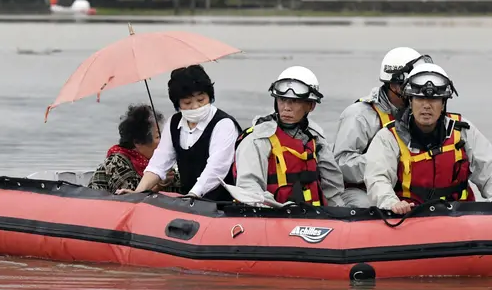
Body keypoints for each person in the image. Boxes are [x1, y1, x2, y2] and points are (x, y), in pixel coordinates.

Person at [363, 63, 492, 215]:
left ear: (443, 103)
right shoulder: (389, 136)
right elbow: (377, 177)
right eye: (419, 99)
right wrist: (391, 202)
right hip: (410, 216)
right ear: (410, 101)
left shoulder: (462, 130)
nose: (426, 106)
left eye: (433, 100)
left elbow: (490, 167)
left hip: (459, 215)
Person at [116, 65, 241, 201]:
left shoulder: (224, 124)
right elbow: (160, 162)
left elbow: (216, 169)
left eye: (201, 100)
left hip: (223, 204)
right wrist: (138, 192)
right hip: (190, 202)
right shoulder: (174, 123)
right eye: (187, 102)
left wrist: (193, 194)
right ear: (178, 104)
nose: (195, 107)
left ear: (210, 97)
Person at [233, 66, 345, 207]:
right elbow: (249, 189)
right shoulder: (257, 140)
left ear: (311, 106)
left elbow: (333, 190)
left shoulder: (316, 139)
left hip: (315, 218)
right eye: (282, 100)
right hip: (272, 218)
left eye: (295, 101)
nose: (286, 107)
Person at [333, 47, 432, 207]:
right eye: (413, 85)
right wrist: (386, 161)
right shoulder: (360, 115)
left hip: (400, 187)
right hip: (359, 190)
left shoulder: (420, 113)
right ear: (396, 85)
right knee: (368, 206)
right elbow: (340, 164)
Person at [88, 104, 181, 194]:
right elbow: (132, 199)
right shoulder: (116, 164)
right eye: (158, 137)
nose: (164, 142)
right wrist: (159, 185)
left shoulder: (158, 162)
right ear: (138, 142)